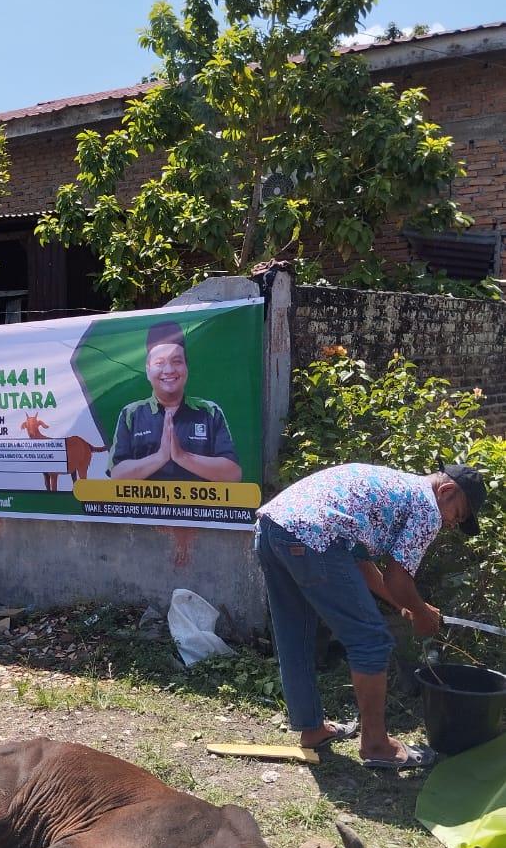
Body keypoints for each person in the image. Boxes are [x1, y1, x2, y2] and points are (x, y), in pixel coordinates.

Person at [255, 462, 487, 770]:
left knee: (294, 636)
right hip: (313, 536)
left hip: (275, 527)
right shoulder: (427, 507)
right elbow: (398, 578)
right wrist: (421, 612)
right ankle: (377, 744)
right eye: (456, 515)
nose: (449, 524)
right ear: (446, 491)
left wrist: (403, 605)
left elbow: (362, 566)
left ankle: (311, 729)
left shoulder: (398, 488)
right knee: (372, 641)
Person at [109, 319, 242, 482]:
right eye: (160, 363)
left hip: (199, 507)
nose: (169, 370)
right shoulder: (131, 414)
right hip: (145, 508)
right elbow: (117, 475)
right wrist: (160, 457)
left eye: (176, 361)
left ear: (187, 366)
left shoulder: (209, 412)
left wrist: (182, 457)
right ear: (148, 369)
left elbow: (233, 474)